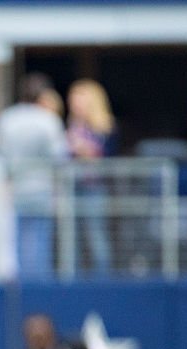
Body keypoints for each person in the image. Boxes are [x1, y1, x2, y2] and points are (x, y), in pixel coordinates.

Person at [0, 72, 69, 280]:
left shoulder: (7, 119)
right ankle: (38, 284)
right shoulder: (48, 120)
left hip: (16, 189)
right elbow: (59, 156)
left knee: (16, 241)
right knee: (40, 241)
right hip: (42, 188)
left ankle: (23, 283)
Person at [67, 79, 117, 276]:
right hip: (72, 187)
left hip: (94, 188)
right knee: (72, 237)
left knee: (96, 234)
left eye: (80, 99)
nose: (75, 104)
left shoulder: (106, 127)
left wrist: (84, 150)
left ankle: (102, 277)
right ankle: (74, 278)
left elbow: (106, 156)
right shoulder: (72, 126)